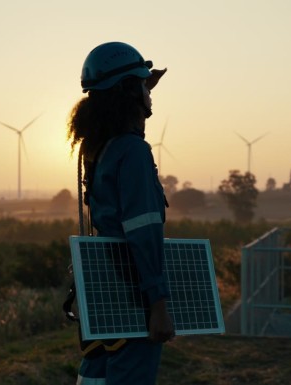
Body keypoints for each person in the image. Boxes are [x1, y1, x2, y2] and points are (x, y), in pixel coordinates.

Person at [67, 41, 175, 385]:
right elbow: (143, 230)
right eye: (144, 85)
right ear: (128, 92)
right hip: (132, 292)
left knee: (97, 378)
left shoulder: (99, 147)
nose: (151, 92)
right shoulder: (133, 152)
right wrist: (157, 303)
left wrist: (137, 87)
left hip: (101, 288)